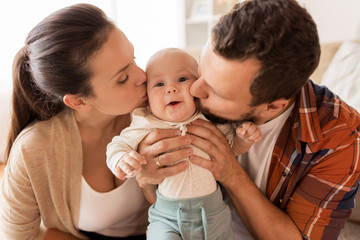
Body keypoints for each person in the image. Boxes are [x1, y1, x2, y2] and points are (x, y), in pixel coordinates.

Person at [134, 0, 360, 240]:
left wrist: (231, 173)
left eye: (215, 91)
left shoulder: (340, 139)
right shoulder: (175, 100)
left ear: (272, 106)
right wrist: (147, 181)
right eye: (201, 71)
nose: (194, 90)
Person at [0, 4, 188, 240]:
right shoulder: (34, 150)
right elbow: (18, 236)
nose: (142, 76)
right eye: (122, 78)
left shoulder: (166, 111)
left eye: (134, 58)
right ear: (78, 101)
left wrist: (149, 185)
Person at [106, 48, 262, 240]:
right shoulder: (145, 123)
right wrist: (121, 158)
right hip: (167, 217)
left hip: (213, 214)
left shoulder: (210, 120)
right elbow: (117, 145)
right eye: (159, 84)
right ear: (147, 99)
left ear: (198, 87)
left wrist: (243, 139)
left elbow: (232, 149)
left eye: (181, 79)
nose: (171, 89)